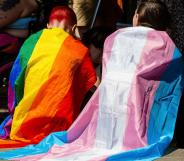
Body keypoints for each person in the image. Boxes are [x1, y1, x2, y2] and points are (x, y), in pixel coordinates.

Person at [1, 0, 183, 160]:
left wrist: (14, 112)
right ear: (73, 28)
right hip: (136, 121)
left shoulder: (115, 38)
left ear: (136, 17)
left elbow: (15, 80)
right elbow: (170, 90)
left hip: (34, 123)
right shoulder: (167, 45)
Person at [0, 6, 96, 148]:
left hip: (24, 126)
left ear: (48, 25)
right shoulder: (81, 51)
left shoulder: (31, 42)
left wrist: (15, 115)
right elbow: (87, 87)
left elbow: (15, 83)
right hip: (60, 129)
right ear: (74, 27)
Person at [80, 26, 115, 111]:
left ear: (99, 49)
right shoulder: (102, 68)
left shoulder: (101, 72)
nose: (86, 51)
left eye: (89, 48)